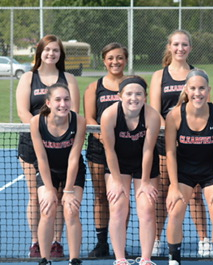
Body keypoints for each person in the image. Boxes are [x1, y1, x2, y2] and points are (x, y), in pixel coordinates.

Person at [16, 34, 80, 258]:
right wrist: (40, 132)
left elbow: (74, 112)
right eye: (47, 50)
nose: (51, 54)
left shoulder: (68, 78)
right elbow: (23, 111)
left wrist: (57, 133)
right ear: (39, 53)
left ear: (60, 54)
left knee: (62, 194)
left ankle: (57, 241)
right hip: (32, 144)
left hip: (63, 144)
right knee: (38, 195)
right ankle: (36, 242)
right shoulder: (28, 78)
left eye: (55, 50)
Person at [150, 29, 212, 257]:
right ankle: (157, 238)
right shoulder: (159, 76)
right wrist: (171, 133)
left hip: (195, 145)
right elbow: (155, 112)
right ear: (169, 47)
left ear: (190, 48)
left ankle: (204, 240)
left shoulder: (197, 75)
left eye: (185, 44)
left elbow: (205, 108)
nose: (180, 49)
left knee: (195, 193)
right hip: (166, 145)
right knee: (165, 191)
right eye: (176, 44)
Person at [165, 69, 213, 265]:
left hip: (212, 173)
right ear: (186, 90)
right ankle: (174, 259)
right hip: (184, 173)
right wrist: (174, 186)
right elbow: (170, 153)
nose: (197, 93)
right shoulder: (174, 116)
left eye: (202, 88)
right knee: (175, 210)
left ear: (208, 90)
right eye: (193, 88)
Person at [100, 76, 160, 265]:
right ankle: (120, 259)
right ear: (120, 96)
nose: (134, 98)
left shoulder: (152, 116)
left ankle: (146, 259)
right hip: (119, 164)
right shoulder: (109, 115)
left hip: (145, 163)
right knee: (117, 207)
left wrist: (145, 181)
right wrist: (116, 181)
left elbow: (148, 150)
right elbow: (109, 150)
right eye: (129, 94)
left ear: (145, 97)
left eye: (139, 94)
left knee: (148, 209)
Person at [30, 83, 86, 265]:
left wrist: (68, 191)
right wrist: (49, 189)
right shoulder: (37, 122)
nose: (63, 104)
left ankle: (74, 259)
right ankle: (45, 259)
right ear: (48, 102)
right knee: (47, 209)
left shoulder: (79, 121)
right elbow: (42, 159)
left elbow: (74, 158)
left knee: (71, 211)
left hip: (73, 170)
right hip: (48, 171)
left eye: (67, 99)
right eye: (58, 100)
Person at [84, 42, 128, 257]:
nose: (115, 62)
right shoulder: (95, 87)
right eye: (111, 58)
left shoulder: (132, 84)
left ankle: (121, 242)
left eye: (119, 57)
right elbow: (90, 117)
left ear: (125, 60)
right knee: (101, 195)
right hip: (98, 150)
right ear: (104, 61)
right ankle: (102, 243)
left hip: (127, 149)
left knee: (121, 197)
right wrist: (103, 136)